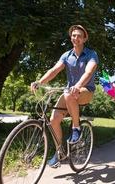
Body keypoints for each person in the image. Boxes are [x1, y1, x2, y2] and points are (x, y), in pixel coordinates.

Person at [30, 25, 99, 167]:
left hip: (86, 91)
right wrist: (40, 82)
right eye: (74, 35)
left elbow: (89, 71)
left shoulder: (92, 54)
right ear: (71, 37)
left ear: (85, 38)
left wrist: (79, 85)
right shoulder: (66, 55)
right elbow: (54, 70)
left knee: (69, 94)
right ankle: (59, 152)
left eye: (79, 36)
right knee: (53, 120)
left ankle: (76, 128)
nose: (76, 38)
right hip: (70, 92)